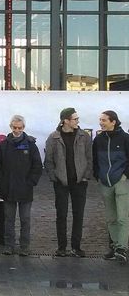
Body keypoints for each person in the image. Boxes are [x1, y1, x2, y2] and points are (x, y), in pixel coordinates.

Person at [44, 108, 93, 258]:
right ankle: (62, 247)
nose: (77, 121)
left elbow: (90, 158)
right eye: (75, 119)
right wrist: (54, 177)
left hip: (79, 182)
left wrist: (86, 176)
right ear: (65, 120)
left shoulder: (84, 136)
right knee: (61, 214)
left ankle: (76, 247)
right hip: (61, 182)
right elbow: (49, 161)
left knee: (78, 215)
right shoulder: (53, 138)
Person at [0, 115, 43, 256]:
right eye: (14, 128)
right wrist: (1, 182)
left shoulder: (31, 145)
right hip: (8, 188)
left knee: (25, 219)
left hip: (25, 189)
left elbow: (37, 165)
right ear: (11, 127)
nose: (17, 130)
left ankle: (24, 246)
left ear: (23, 128)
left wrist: (31, 182)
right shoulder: (3, 145)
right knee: (9, 219)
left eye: (19, 128)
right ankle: (9, 245)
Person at [92, 110, 129, 263]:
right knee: (110, 218)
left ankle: (122, 248)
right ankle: (114, 246)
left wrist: (125, 175)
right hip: (105, 182)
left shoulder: (125, 138)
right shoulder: (98, 139)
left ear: (113, 121)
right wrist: (98, 175)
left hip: (121, 181)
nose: (101, 122)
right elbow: (94, 159)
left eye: (104, 120)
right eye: (100, 120)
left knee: (122, 217)